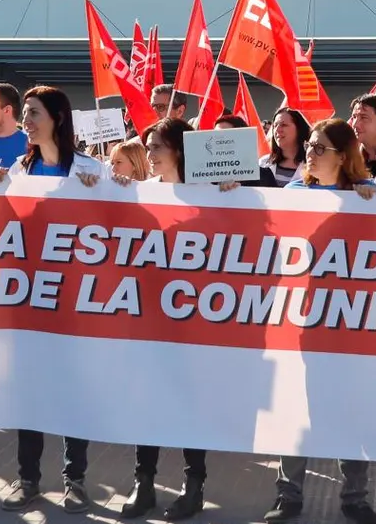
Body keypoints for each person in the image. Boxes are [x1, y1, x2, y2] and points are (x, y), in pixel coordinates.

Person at [268, 119, 376, 524]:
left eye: (320, 149)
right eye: (310, 147)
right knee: (298, 408)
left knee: (352, 410)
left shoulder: (368, 196)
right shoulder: (293, 194)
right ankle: (289, 495)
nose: (310, 155)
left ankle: (355, 497)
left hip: (352, 324)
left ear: (343, 156)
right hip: (302, 320)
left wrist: (375, 205)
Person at [0, 86, 104, 513]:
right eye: (24, 112)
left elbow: (125, 223)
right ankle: (27, 479)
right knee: (31, 393)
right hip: (28, 303)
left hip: (77, 304)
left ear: (58, 117)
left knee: (73, 394)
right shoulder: (17, 173)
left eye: (34, 112)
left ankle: (74, 479)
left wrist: (112, 191)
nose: (27, 120)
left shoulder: (92, 172)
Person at [111, 118, 217, 521]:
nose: (150, 155)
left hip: (194, 319)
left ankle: (194, 487)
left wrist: (234, 197)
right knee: (147, 402)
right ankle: (144, 484)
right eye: (148, 147)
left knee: (191, 405)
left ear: (179, 149)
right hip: (147, 314)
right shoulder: (139, 193)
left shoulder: (210, 195)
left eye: (157, 147)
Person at [263, 106, 310, 185]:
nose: (277, 130)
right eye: (275, 125)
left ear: (299, 129)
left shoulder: (313, 165)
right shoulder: (263, 163)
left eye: (284, 125)